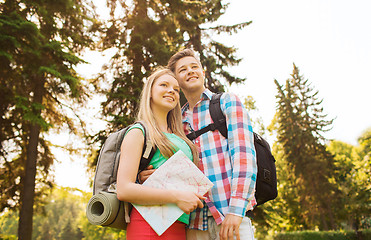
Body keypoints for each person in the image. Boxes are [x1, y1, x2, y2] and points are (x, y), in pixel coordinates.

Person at [140, 49, 257, 240]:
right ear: (176, 81)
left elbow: (245, 158)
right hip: (194, 222)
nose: (191, 71)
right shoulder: (176, 121)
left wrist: (236, 210)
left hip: (230, 215)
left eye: (195, 67)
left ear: (203, 73)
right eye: (183, 69)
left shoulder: (227, 102)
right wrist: (148, 178)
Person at [116, 67, 206, 240]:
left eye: (176, 89)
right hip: (148, 225)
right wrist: (178, 196)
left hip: (179, 226)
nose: (171, 90)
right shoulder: (139, 131)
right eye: (164, 85)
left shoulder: (181, 137)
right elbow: (124, 189)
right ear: (150, 92)